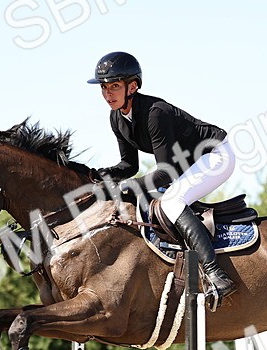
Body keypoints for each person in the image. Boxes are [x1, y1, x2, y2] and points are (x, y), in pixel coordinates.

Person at [88, 51, 238, 310]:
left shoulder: (155, 113)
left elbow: (165, 173)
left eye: (114, 86)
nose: (107, 93)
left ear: (132, 86)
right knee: (162, 199)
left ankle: (216, 274)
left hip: (215, 155)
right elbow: (129, 165)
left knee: (171, 201)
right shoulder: (117, 118)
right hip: (188, 163)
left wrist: (125, 186)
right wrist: (94, 177)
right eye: (103, 87)